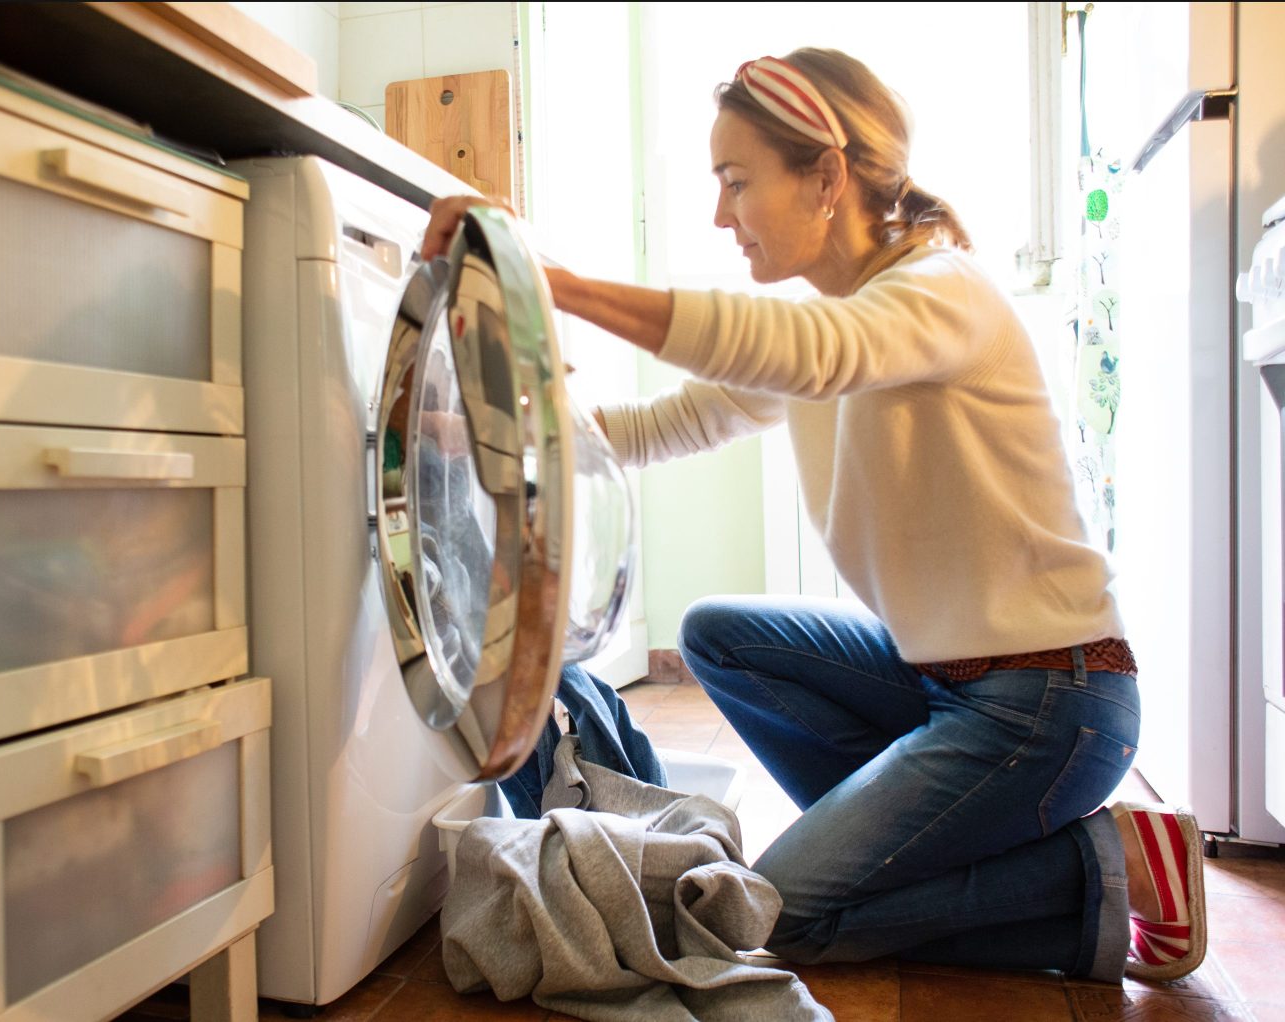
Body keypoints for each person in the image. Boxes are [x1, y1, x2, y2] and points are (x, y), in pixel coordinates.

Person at [420, 47, 1206, 984]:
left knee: (763, 921)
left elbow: (816, 351)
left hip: (1054, 702)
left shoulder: (936, 294)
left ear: (826, 177)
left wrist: (553, 282)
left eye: (737, 181)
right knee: (718, 635)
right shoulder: (834, 326)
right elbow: (664, 425)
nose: (722, 214)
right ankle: (906, 846)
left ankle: (1109, 863)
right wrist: (480, 436)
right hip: (944, 684)